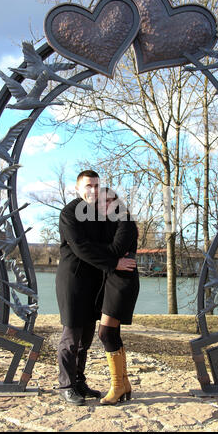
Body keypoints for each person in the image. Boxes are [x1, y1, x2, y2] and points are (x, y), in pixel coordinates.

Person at [56, 170, 136, 406]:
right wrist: (115, 262)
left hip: (95, 283)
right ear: (78, 189)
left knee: (86, 340)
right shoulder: (70, 213)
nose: (93, 190)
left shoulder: (101, 214)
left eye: (96, 186)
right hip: (72, 281)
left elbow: (113, 243)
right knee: (71, 337)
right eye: (88, 186)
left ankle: (80, 382)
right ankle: (66, 386)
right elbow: (81, 248)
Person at [96, 187, 139, 406]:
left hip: (124, 281)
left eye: (109, 201)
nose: (105, 206)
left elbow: (116, 249)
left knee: (104, 333)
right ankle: (124, 383)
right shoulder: (106, 224)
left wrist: (96, 250)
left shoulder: (126, 222)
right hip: (112, 279)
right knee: (113, 333)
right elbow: (111, 251)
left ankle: (117, 385)